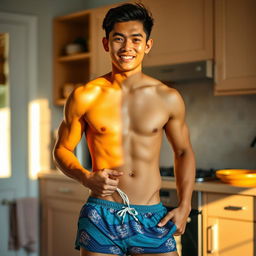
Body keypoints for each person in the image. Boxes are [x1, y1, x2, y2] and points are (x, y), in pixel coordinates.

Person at [53, 3, 195, 256]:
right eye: (118, 39)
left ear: (148, 45)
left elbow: (183, 152)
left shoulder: (168, 97)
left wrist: (185, 206)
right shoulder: (85, 95)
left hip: (152, 216)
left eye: (136, 39)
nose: (127, 47)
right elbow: (62, 149)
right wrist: (85, 177)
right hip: (101, 215)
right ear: (106, 43)